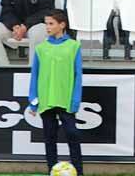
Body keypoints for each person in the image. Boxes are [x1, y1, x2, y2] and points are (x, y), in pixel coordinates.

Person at [26, 10, 84, 176]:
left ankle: (79, 172)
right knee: (50, 138)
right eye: (47, 24)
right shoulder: (41, 48)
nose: (48, 27)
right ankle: (52, 170)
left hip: (66, 100)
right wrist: (33, 101)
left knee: (72, 135)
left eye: (51, 23)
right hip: (46, 100)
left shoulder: (73, 46)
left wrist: (75, 100)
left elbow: (78, 75)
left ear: (62, 25)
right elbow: (35, 75)